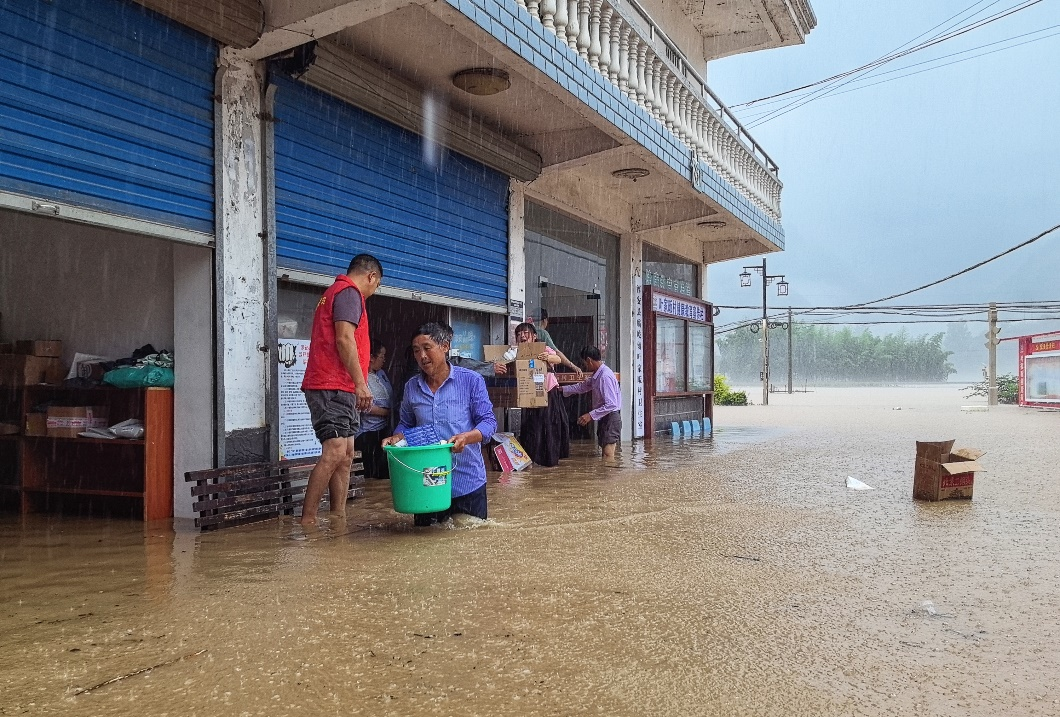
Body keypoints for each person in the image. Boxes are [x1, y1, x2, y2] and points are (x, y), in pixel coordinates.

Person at [383, 322, 497, 525]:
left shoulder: (471, 381)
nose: (422, 356)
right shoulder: (412, 387)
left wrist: (467, 437)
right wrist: (396, 437)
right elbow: (406, 423)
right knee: (427, 547)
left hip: (467, 482)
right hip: (426, 484)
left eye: (427, 348)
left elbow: (488, 423)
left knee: (470, 545)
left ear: (445, 346)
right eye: (417, 351)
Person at [299, 254, 383, 525]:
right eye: (377, 285)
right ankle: (308, 522)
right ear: (371, 276)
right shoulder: (348, 292)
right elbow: (344, 338)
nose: (374, 291)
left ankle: (338, 518)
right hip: (331, 385)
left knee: (346, 454)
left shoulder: (338, 292)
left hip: (342, 386)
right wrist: (361, 383)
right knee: (335, 451)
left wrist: (355, 385)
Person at [512, 322, 569, 467]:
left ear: (534, 336)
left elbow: (558, 359)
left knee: (548, 427)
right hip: (528, 395)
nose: (522, 336)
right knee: (530, 428)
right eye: (519, 334)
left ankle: (549, 462)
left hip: (548, 392)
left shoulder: (544, 348)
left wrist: (547, 357)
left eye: (525, 333)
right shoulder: (515, 351)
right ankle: (530, 461)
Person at [561, 346, 621, 459]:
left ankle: (611, 475)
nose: (585, 366)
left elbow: (611, 404)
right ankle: (606, 475)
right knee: (605, 452)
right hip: (605, 417)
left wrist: (590, 415)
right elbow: (583, 387)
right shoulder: (597, 375)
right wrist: (562, 389)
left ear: (589, 360)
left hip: (611, 417)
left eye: (585, 363)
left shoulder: (604, 376)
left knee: (608, 453)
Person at [355, 341, 392, 480]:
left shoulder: (381, 374)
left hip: (382, 431)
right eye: (382, 356)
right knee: (368, 473)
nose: (384, 359)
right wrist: (386, 413)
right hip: (367, 433)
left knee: (382, 472)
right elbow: (363, 405)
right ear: (371, 357)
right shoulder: (361, 376)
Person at [528, 309, 581, 375]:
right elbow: (557, 353)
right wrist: (573, 366)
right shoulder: (542, 332)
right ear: (545, 320)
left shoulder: (528, 331)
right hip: (542, 372)